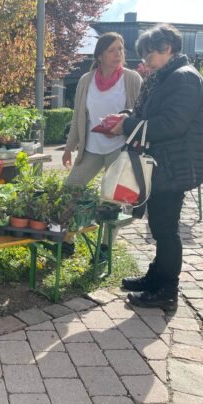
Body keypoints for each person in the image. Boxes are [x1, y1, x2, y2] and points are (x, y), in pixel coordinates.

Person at [110, 24, 203, 311]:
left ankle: (167, 290)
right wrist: (127, 116)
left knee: (165, 229)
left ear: (168, 49)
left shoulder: (184, 78)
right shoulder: (165, 77)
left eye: (150, 53)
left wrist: (127, 125)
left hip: (173, 164)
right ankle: (156, 277)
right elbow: (153, 115)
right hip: (162, 163)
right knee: (160, 226)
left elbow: (171, 124)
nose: (146, 60)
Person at [62, 32, 143, 255]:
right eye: (112, 50)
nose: (119, 54)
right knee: (70, 189)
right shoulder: (86, 81)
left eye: (121, 49)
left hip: (119, 148)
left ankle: (105, 248)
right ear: (99, 55)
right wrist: (69, 147)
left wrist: (122, 126)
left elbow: (141, 113)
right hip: (91, 148)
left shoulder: (131, 78)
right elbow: (79, 116)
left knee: (111, 201)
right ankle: (67, 239)